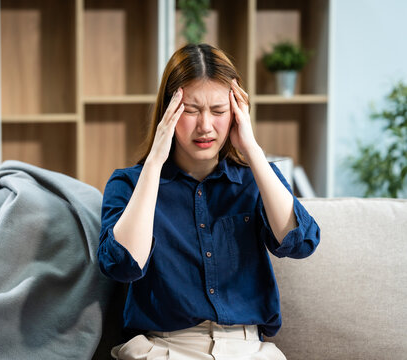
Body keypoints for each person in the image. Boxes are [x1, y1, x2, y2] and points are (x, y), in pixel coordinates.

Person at [97, 43, 320, 360]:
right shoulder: (129, 183)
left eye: (218, 111)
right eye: (190, 110)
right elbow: (122, 265)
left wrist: (252, 149)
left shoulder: (256, 179)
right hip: (165, 349)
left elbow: (300, 244)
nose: (205, 126)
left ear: (236, 113)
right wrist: (154, 163)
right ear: (168, 112)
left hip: (249, 349)